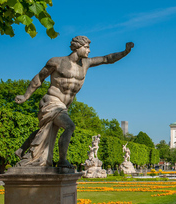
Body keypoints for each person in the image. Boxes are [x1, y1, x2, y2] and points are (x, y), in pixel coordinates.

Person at [14, 36, 134, 168]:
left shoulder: (86, 63)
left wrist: (124, 52)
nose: (89, 51)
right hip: (51, 101)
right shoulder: (57, 62)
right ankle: (62, 161)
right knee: (69, 126)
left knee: (46, 131)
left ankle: (21, 149)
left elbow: (107, 59)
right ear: (78, 47)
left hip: (64, 105)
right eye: (86, 47)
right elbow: (39, 78)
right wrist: (25, 96)